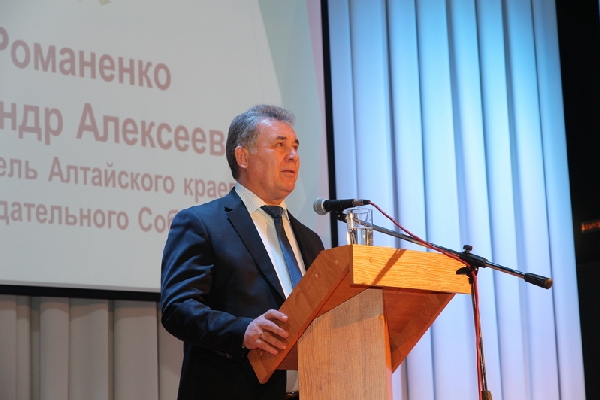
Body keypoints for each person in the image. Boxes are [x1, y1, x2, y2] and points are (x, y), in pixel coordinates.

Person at [160, 104, 325, 400]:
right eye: (280, 145)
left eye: (295, 146)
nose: (293, 155)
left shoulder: (310, 240)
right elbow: (178, 307)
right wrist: (242, 330)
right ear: (243, 157)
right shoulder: (202, 223)